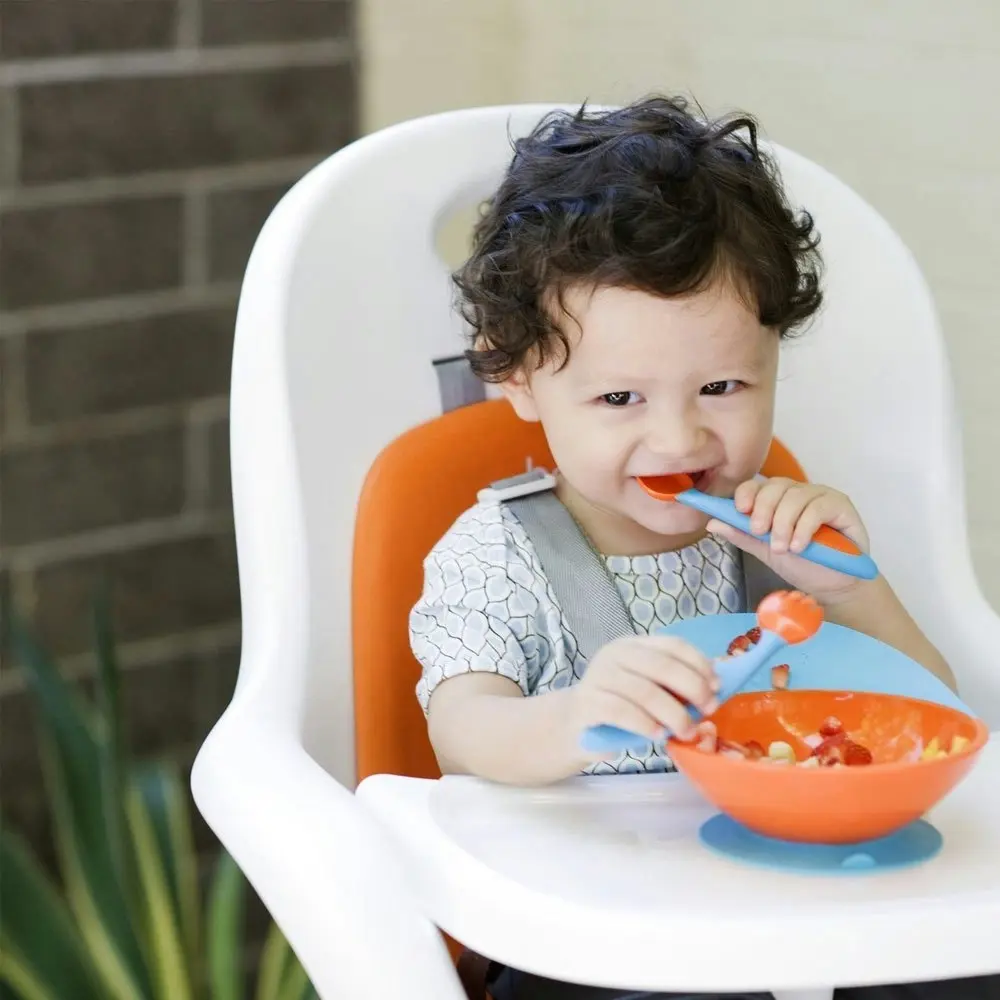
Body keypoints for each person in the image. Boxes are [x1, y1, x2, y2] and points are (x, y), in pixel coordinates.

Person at [408, 95, 995, 1000]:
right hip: (602, 932)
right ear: (514, 376)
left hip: (800, 905)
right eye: (620, 400)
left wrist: (846, 589)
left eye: (721, 386)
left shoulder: (775, 527)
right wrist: (571, 717)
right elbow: (462, 734)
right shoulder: (497, 554)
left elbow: (931, 708)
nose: (681, 442)